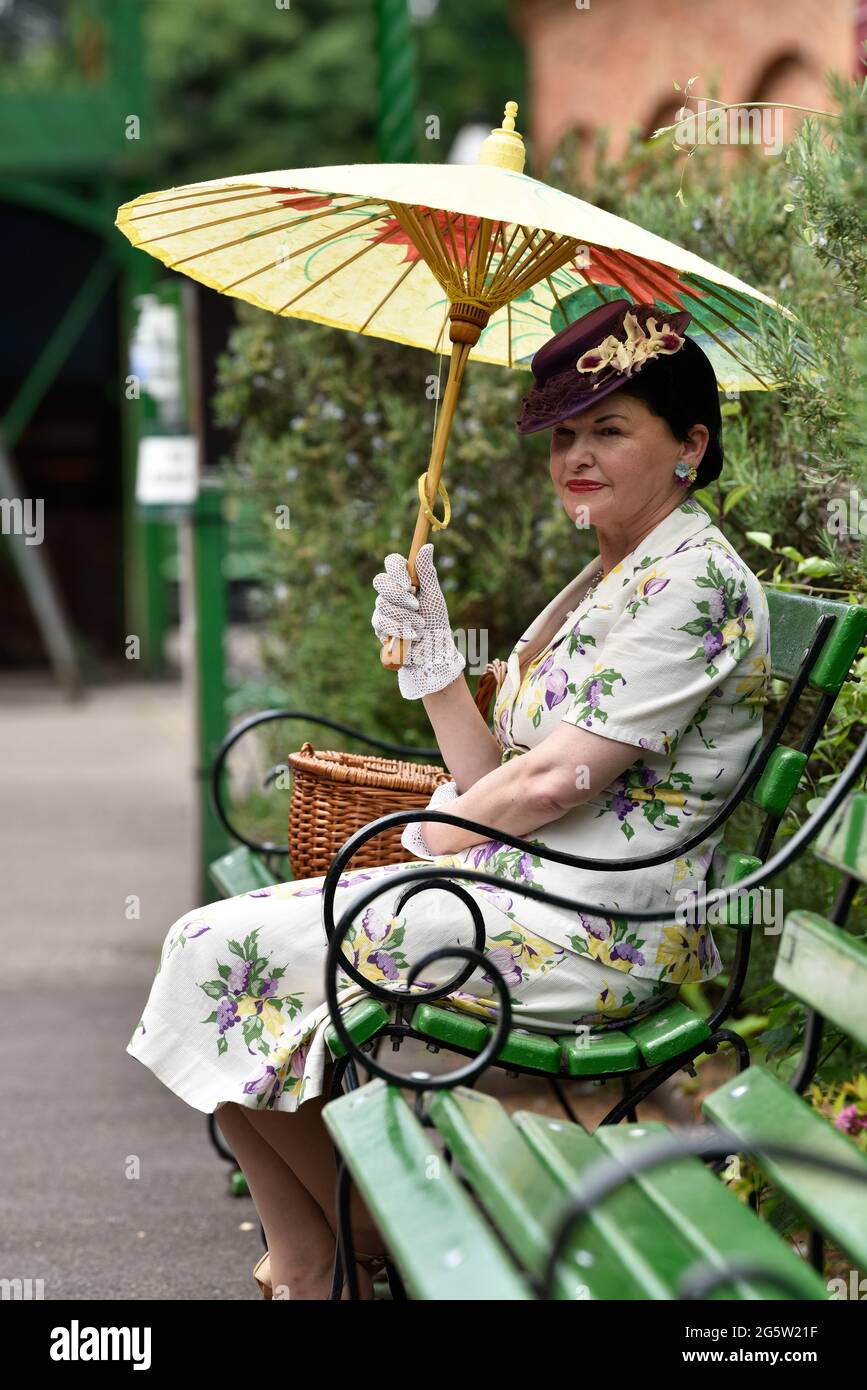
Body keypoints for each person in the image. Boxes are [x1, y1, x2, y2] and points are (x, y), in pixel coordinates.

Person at [125, 298, 770, 1299]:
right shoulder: (605, 577)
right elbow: (496, 774)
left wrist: (434, 833)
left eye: (609, 429)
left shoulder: (695, 582)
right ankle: (318, 1259)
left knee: (234, 963)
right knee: (211, 954)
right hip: (516, 896)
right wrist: (435, 671)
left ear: (690, 445)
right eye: (564, 436)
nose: (576, 458)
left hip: (596, 931)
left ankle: (371, 1259)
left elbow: (556, 780)